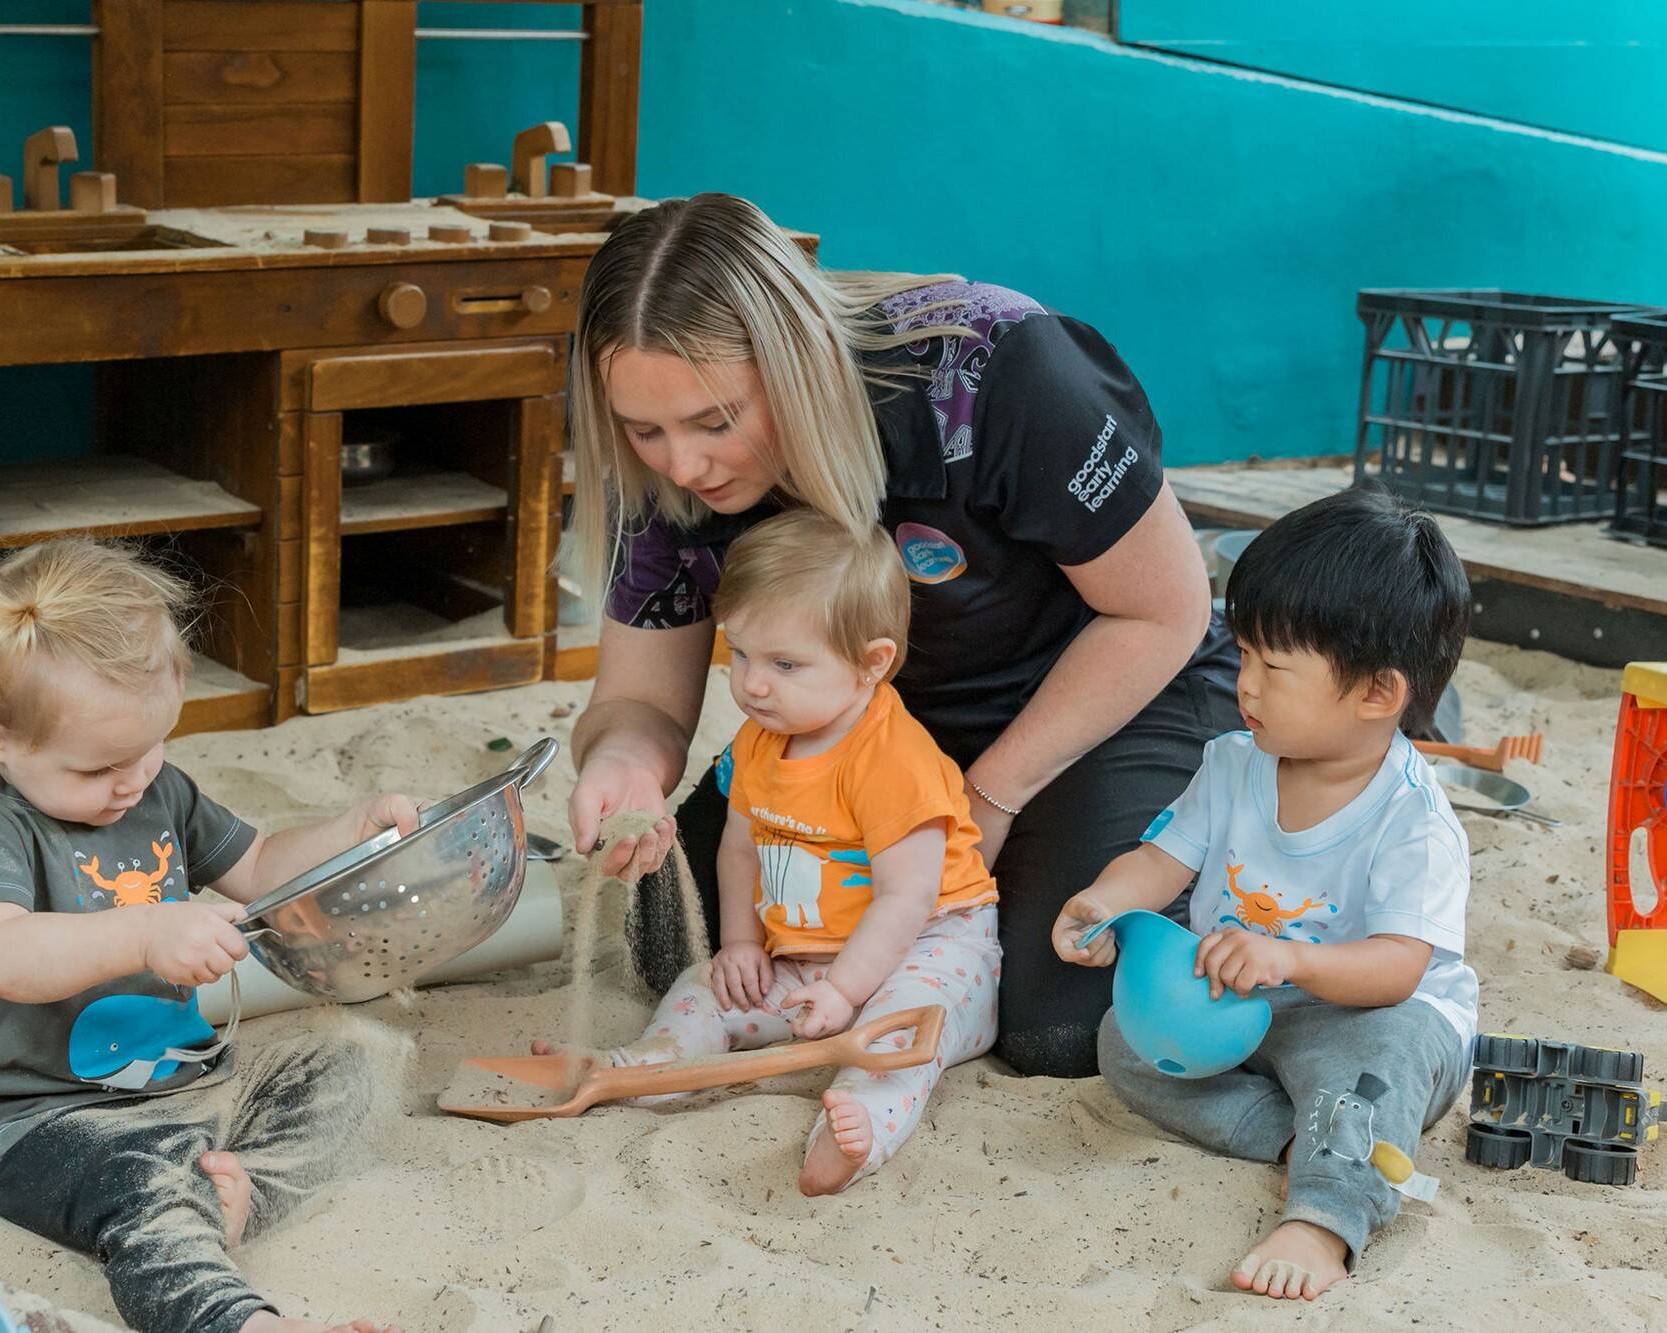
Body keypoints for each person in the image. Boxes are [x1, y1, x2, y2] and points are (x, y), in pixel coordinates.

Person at [562, 192, 1238, 1078]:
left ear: (794, 364)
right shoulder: (657, 480)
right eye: (645, 430)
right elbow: (642, 698)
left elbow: (1164, 609)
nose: (683, 466)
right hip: (874, 734)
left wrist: (981, 802)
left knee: (1058, 1019)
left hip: (1096, 698)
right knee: (671, 931)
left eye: (716, 420)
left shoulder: (997, 367)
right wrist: (623, 762)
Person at [0, 529, 407, 1333]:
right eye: (100, 767)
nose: (133, 780)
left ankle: (231, 1194)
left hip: (195, 1091)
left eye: (150, 747)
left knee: (355, 1062)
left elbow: (265, 866)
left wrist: (356, 829)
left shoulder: (154, 787)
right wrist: (144, 933)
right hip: (51, 1125)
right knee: (143, 1191)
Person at [1051, 487, 1477, 1301]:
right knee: (1121, 1042)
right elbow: (1160, 861)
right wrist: (1103, 902)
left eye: (1272, 667)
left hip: (1368, 1014)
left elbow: (1396, 969)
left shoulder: (1413, 819)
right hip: (1243, 1004)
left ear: (1377, 693)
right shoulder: (1232, 763)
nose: (1245, 685)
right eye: (1242, 654)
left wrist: (1289, 955)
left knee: (1373, 1069)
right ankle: (1299, 1137)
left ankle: (1325, 1216)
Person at [556, 511, 997, 1194]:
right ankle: (652, 1063)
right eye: (743, 654)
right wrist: (741, 943)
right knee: (704, 987)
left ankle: (858, 1129)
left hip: (929, 945)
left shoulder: (891, 758)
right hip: (808, 952)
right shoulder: (764, 737)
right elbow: (740, 850)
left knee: (894, 1037)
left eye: (786, 664)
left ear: (871, 663)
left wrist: (847, 991)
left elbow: (908, 895)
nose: (754, 683)